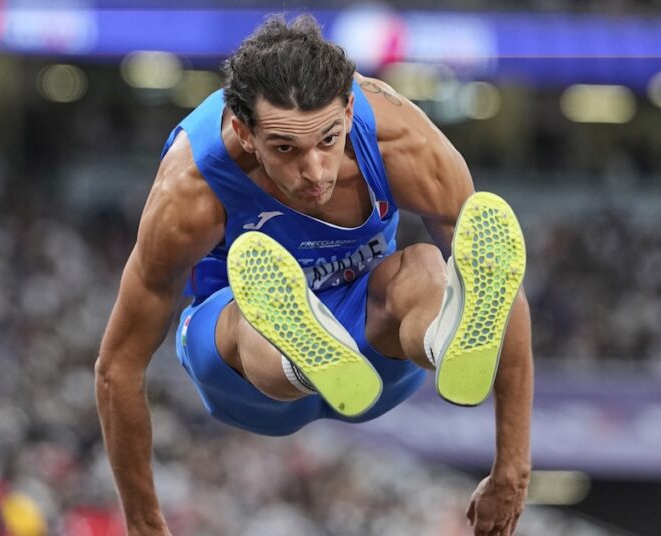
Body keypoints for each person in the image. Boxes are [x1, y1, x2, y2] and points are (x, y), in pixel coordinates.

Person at [95, 14, 533, 536]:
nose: (315, 171)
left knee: (424, 267)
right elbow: (117, 366)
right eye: (286, 148)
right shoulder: (192, 189)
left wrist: (512, 468)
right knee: (247, 318)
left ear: (349, 108)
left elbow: (504, 289)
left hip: (374, 359)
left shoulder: (402, 142)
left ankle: (445, 335)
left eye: (328, 140)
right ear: (243, 131)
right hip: (249, 382)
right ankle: (299, 351)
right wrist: (145, 524)